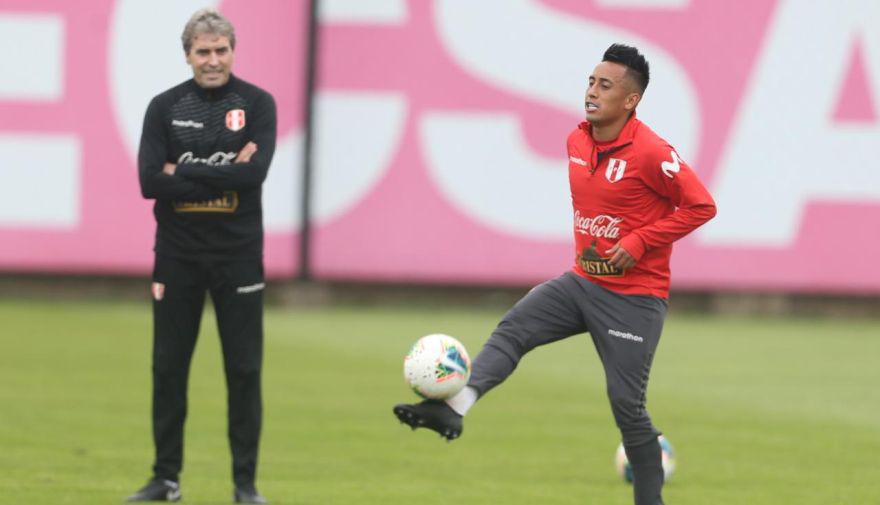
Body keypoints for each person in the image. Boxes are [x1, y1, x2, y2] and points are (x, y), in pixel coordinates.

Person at [393, 43, 716, 505]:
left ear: (631, 100)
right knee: (514, 329)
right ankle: (454, 409)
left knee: (627, 408)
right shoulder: (577, 140)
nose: (592, 91)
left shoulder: (652, 152)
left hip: (634, 299)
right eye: (590, 81)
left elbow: (702, 205)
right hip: (581, 283)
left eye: (605, 85)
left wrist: (641, 240)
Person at [126, 8, 276, 504]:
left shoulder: (256, 104)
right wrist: (225, 168)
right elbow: (150, 182)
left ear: (232, 51)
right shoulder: (163, 107)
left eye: (221, 50)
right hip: (177, 257)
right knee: (168, 368)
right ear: (188, 55)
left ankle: (245, 487)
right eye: (203, 51)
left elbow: (253, 177)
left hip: (238, 257)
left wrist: (182, 170)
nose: (213, 60)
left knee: (245, 371)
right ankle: (165, 480)